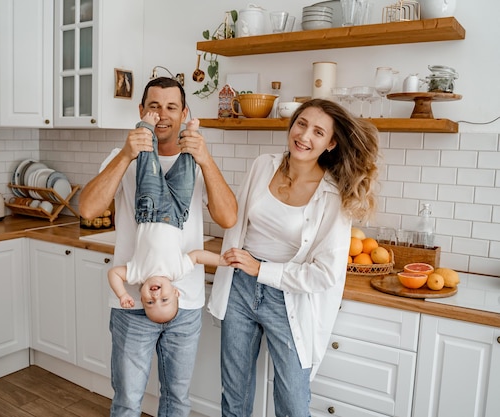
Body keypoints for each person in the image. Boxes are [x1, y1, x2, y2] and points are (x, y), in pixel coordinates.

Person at [208, 98, 380, 417]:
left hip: (289, 300)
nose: (304, 136)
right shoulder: (263, 165)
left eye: (318, 131)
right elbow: (237, 221)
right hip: (240, 289)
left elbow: (324, 273)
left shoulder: (331, 195)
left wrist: (261, 269)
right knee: (234, 394)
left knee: (292, 402)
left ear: (331, 143)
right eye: (301, 124)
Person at [79, 76, 237, 417]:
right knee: (127, 400)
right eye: (154, 106)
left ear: (184, 113)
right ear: (141, 111)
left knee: (177, 400)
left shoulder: (197, 160)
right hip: (133, 304)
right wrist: (126, 154)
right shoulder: (120, 156)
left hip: (185, 303)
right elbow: (89, 209)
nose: (162, 115)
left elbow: (228, 218)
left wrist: (207, 160)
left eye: (171, 107)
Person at [107, 111, 227, 324]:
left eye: (150, 302)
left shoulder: (137, 274)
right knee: (187, 169)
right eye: (164, 299)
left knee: (147, 163)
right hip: (179, 212)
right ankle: (191, 133)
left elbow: (114, 274)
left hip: (149, 208)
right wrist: (220, 261)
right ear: (176, 292)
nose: (155, 296)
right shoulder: (177, 272)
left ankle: (146, 127)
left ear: (141, 298)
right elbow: (198, 256)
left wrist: (123, 294)